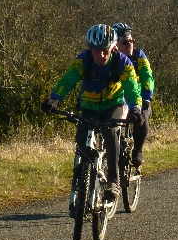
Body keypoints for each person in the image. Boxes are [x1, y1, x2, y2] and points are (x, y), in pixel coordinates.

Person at [41, 24, 143, 205]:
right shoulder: (83, 61)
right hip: (89, 105)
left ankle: (113, 182)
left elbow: (132, 88)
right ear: (90, 49)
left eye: (105, 50)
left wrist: (135, 107)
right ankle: (81, 176)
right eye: (97, 51)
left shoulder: (122, 62)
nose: (101, 55)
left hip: (113, 104)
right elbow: (68, 80)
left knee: (111, 134)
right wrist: (54, 99)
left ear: (112, 47)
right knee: (82, 141)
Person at [112, 22, 154, 168]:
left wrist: (147, 98)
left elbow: (147, 77)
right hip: (119, 99)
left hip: (139, 98)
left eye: (131, 41)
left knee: (142, 121)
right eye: (125, 42)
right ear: (115, 44)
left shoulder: (139, 55)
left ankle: (137, 150)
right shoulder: (111, 58)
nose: (129, 44)